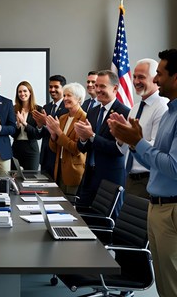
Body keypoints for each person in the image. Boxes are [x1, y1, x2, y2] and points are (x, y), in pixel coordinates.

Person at [108, 49, 177, 297]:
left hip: (169, 206)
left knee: (171, 282)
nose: (155, 80)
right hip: (154, 202)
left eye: (159, 74)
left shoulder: (166, 110)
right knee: (163, 281)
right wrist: (128, 139)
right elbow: (145, 153)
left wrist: (137, 142)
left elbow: (172, 166)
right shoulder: (166, 111)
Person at [74, 69, 130, 207]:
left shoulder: (124, 113)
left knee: (104, 223)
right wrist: (83, 139)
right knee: (83, 219)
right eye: (96, 86)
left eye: (102, 86)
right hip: (89, 177)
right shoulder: (93, 112)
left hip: (110, 179)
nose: (97, 89)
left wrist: (91, 136)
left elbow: (118, 150)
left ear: (115, 88)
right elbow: (83, 148)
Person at [118, 59, 168, 198]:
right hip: (129, 178)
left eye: (141, 77)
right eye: (134, 76)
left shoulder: (162, 107)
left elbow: (158, 148)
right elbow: (125, 150)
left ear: (155, 79)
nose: (135, 81)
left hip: (147, 178)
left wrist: (134, 141)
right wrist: (120, 138)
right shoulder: (134, 108)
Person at [46, 82, 87, 196]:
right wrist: (53, 135)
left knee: (70, 208)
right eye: (64, 95)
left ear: (79, 99)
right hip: (58, 170)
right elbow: (55, 148)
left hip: (73, 172)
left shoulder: (84, 118)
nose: (65, 98)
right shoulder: (63, 118)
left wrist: (58, 132)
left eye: (69, 95)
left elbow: (76, 149)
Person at [32, 74, 68, 178]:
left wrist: (46, 122)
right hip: (46, 155)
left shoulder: (67, 107)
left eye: (56, 87)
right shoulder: (46, 107)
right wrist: (39, 126)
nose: (52, 89)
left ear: (63, 88)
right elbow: (40, 135)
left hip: (59, 155)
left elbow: (64, 131)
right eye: (50, 86)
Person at [12, 81, 42, 170]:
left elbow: (37, 135)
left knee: (31, 178)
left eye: (25, 91)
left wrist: (24, 123)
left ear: (30, 92)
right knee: (14, 177)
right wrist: (17, 125)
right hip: (16, 147)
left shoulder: (38, 110)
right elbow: (12, 134)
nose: (22, 94)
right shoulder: (13, 109)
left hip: (31, 148)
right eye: (20, 92)